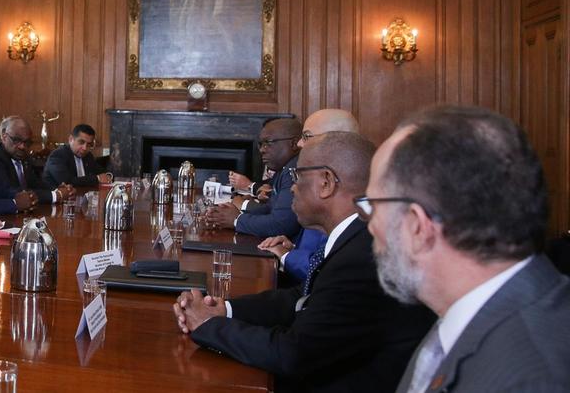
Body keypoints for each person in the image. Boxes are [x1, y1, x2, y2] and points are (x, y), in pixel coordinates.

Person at [174, 132, 434, 393]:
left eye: (297, 177)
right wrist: (226, 309)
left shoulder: (360, 255)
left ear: (326, 183)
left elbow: (293, 354)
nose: (292, 188)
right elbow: (303, 298)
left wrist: (208, 325)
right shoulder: (355, 236)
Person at [364, 106, 570, 392]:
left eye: (373, 207)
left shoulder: (533, 375)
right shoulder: (471, 311)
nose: (370, 226)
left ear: (418, 226)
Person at [256, 110, 361, 281]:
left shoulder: (345, 193)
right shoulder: (317, 179)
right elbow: (319, 249)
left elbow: (325, 268)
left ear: (337, 140)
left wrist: (287, 256)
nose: (299, 144)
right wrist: (293, 248)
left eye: (306, 136)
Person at [205, 117, 302, 239]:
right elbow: (270, 208)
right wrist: (228, 213)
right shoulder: (283, 168)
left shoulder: (294, 170)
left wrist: (236, 220)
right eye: (261, 144)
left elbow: (281, 224)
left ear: (294, 144)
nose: (261, 150)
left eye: (268, 143)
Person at [0, 115, 75, 204]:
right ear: (4, 136)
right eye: (16, 140)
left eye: (27, 142)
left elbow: (35, 184)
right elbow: (12, 192)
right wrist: (56, 195)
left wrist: (58, 189)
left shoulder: (24, 157)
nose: (22, 146)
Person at [44, 124, 112, 188]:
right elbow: (66, 181)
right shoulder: (58, 155)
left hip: (81, 194)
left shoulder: (88, 156)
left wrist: (108, 176)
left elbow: (101, 171)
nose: (85, 148)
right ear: (71, 139)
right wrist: (97, 179)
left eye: (89, 144)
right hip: (56, 196)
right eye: (81, 142)